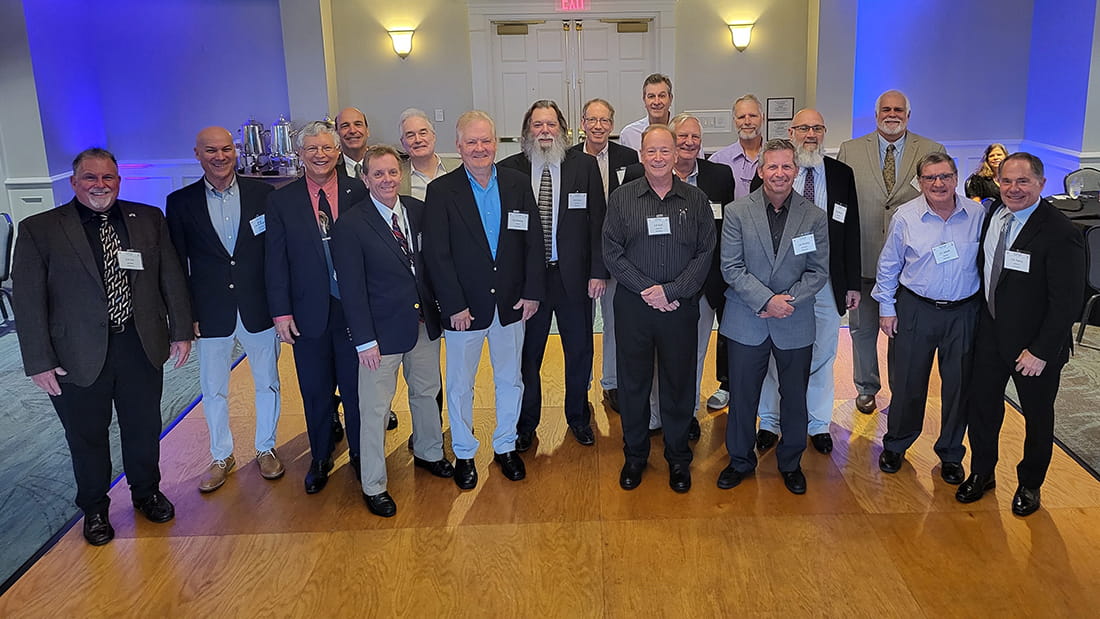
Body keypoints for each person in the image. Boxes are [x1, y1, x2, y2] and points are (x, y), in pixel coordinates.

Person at [12, 148, 193, 546]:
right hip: (75, 354)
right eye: (90, 178)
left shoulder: (147, 219)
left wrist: (180, 330)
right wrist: (39, 361)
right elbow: (27, 302)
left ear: (118, 180)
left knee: (144, 428)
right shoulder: (40, 229)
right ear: (74, 182)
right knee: (87, 436)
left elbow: (171, 279)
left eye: (108, 177)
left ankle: (146, 493)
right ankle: (94, 508)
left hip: (140, 344)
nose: (100, 185)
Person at [956, 153, 1085, 516]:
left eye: (1023, 182)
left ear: (1042, 184)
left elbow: (1067, 302)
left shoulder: (1061, 232)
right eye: (1007, 181)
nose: (1014, 189)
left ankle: (1030, 484)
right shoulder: (993, 214)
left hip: (1035, 347)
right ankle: (982, 472)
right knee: (981, 408)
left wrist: (1041, 350)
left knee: (1037, 416)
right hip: (990, 336)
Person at [422, 110, 545, 490]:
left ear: (496, 142)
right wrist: (453, 304)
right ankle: (463, 451)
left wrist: (531, 292)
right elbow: (436, 256)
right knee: (460, 385)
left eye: (486, 141)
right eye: (471, 142)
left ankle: (505, 446)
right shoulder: (441, 192)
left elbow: (532, 243)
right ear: (458, 146)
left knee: (511, 380)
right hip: (465, 310)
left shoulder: (518, 183)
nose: (479, 148)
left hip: (511, 305)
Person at [331, 145, 453, 518]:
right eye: (378, 174)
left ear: (401, 175)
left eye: (392, 173)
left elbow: (430, 266)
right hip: (379, 337)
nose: (387, 180)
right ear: (365, 178)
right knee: (375, 410)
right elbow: (350, 289)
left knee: (426, 391)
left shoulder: (417, 211)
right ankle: (373, 483)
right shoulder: (351, 226)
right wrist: (364, 340)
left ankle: (430, 451)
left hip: (421, 326)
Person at [166, 127, 283, 493]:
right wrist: (185, 319)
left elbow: (276, 257)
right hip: (210, 312)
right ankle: (221, 456)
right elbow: (175, 266)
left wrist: (280, 306)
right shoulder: (180, 202)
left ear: (237, 151)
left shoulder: (263, 194)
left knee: (268, 382)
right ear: (197, 154)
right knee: (213, 389)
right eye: (211, 150)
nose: (220, 156)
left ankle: (266, 448)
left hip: (258, 307)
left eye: (227, 149)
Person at [603, 125, 715, 493]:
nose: (658, 157)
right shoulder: (621, 199)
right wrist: (648, 291)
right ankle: (635, 456)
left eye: (665, 151)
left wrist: (673, 291)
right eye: (651, 151)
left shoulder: (695, 200)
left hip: (680, 309)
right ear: (640, 155)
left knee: (678, 385)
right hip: (634, 308)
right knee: (633, 385)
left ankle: (678, 458)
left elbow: (704, 253)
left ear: (677, 154)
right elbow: (612, 252)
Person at [717, 139, 829, 495]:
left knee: (794, 396)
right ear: (761, 171)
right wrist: (767, 301)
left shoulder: (814, 216)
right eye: (772, 167)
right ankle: (739, 461)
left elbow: (818, 271)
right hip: (746, 319)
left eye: (786, 167)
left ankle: (790, 462)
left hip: (794, 319)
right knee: (743, 396)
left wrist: (786, 301)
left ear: (796, 171)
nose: (779, 173)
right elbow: (731, 268)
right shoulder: (737, 212)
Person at [748, 109, 861, 455]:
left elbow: (851, 230)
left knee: (824, 353)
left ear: (824, 132)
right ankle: (770, 421)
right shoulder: (768, 175)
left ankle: (817, 423)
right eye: (803, 128)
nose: (810, 134)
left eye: (816, 128)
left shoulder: (842, 174)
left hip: (826, 280)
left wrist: (852, 282)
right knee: (772, 355)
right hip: (779, 285)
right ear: (791, 130)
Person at [265, 120, 368, 494]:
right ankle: (321, 455)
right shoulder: (281, 200)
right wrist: (280, 312)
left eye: (327, 148)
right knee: (315, 389)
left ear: (338, 152)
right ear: (300, 155)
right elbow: (274, 260)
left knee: (358, 390)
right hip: (307, 313)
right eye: (312, 149)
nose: (320, 155)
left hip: (355, 312)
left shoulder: (360, 191)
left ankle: (361, 454)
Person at [498, 100, 608, 450]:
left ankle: (577, 416)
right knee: (529, 354)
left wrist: (597, 272)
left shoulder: (584, 166)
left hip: (573, 278)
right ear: (527, 130)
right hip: (529, 282)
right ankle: (527, 423)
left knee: (580, 350)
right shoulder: (509, 170)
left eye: (551, 125)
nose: (545, 131)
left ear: (562, 128)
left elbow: (597, 222)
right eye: (537, 125)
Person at [871, 152, 982, 482]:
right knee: (907, 383)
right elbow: (889, 265)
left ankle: (950, 452)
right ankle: (897, 444)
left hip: (964, 313)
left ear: (956, 177)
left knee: (959, 386)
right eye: (930, 178)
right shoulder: (906, 217)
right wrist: (886, 309)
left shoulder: (977, 214)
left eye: (945, 176)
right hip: (916, 309)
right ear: (920, 182)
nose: (938, 183)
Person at [622, 113, 735, 430]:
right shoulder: (635, 175)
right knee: (654, 360)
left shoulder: (719, 176)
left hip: (700, 284)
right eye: (682, 136)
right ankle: (656, 415)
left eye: (694, 138)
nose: (688, 142)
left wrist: (683, 285)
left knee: (692, 356)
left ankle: (685, 414)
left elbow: (719, 234)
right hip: (649, 287)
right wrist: (654, 288)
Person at [837, 90, 945, 415]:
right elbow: (840, 208)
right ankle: (866, 388)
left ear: (908, 115)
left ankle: (903, 392)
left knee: (905, 336)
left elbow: (941, 202)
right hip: (865, 257)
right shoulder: (851, 150)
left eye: (899, 109)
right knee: (862, 329)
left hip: (912, 267)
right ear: (876, 114)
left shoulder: (930, 150)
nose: (892, 114)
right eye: (886, 109)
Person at [568, 98, 639, 414]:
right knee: (579, 328)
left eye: (604, 120)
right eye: (591, 119)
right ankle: (579, 388)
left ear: (612, 125)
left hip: (619, 255)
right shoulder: (567, 158)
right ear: (582, 123)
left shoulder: (629, 158)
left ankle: (611, 384)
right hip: (579, 257)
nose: (598, 126)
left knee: (614, 323)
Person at [397, 108, 462, 201]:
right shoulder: (398, 178)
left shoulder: (458, 167)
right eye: (410, 135)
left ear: (433, 136)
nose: (418, 140)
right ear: (403, 142)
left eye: (423, 133)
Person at [708, 94, 766, 199]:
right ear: (735, 121)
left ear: (763, 118)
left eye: (753, 116)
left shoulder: (775, 158)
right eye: (741, 117)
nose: (747, 122)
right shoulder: (718, 161)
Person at [617, 74, 674, 152]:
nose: (656, 102)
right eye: (651, 96)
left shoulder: (683, 133)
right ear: (644, 100)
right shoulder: (629, 134)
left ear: (670, 99)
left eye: (661, 96)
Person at [335, 107, 370, 179]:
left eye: (358, 124)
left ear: (367, 131)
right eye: (345, 126)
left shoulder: (384, 162)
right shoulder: (331, 168)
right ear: (336, 133)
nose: (352, 131)